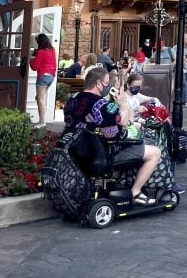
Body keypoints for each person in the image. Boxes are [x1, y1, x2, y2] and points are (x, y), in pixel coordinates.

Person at [63, 67, 161, 205]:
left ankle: (114, 184)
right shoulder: (104, 105)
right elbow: (117, 132)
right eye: (107, 83)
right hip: (101, 154)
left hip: (76, 151)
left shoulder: (72, 100)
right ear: (98, 83)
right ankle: (136, 192)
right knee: (155, 152)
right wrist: (122, 104)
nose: (108, 87)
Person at [29, 33, 57, 127]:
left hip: (43, 76)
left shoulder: (41, 52)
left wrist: (30, 59)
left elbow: (35, 67)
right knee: (38, 98)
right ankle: (41, 120)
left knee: (40, 100)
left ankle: (42, 122)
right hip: (51, 77)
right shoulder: (52, 50)